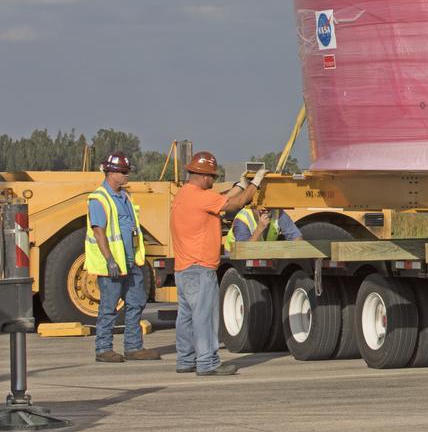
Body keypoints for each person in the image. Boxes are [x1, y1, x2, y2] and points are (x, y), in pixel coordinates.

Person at [170, 151, 260, 376]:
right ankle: (208, 362)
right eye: (212, 176)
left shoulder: (184, 195)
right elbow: (236, 203)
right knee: (205, 317)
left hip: (183, 268)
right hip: (201, 268)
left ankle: (185, 359)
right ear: (203, 176)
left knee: (187, 316)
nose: (213, 180)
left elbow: (222, 198)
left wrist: (240, 184)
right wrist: (255, 184)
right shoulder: (202, 197)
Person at [86, 151, 160, 363]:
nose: (127, 176)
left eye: (127, 172)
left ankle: (134, 347)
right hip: (113, 265)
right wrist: (110, 260)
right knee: (109, 308)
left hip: (131, 263)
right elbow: (99, 231)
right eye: (124, 172)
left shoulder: (125, 196)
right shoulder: (99, 198)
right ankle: (103, 349)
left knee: (136, 304)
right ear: (111, 173)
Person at [223, 204, 302, 252]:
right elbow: (244, 251)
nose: (264, 209)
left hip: (263, 253)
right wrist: (259, 229)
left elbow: (296, 237)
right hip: (234, 256)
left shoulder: (277, 212)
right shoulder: (242, 218)